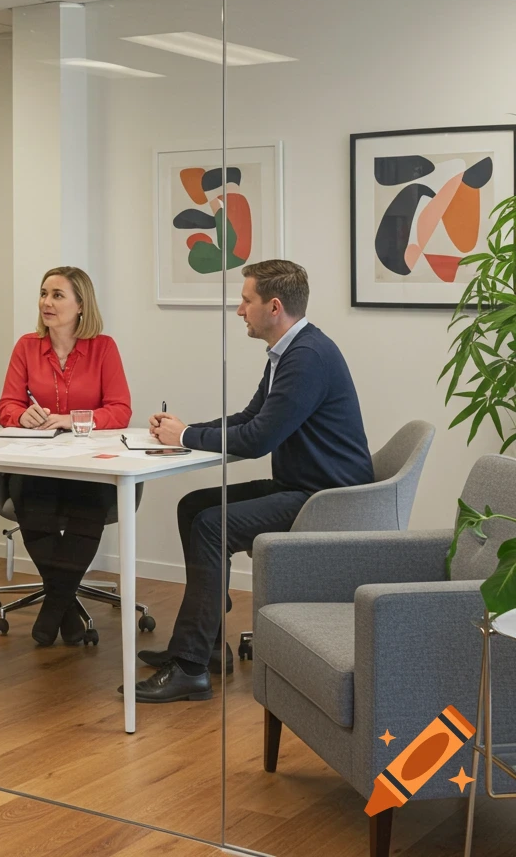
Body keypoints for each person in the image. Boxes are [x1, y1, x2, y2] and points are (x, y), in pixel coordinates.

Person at [132, 259, 373, 703]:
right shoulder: (290, 352)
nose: (240, 310)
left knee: (211, 524)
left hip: (326, 500)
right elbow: (250, 418)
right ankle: (205, 647)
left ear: (274, 306)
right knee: (193, 507)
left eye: (246, 301)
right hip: (303, 486)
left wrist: (185, 436)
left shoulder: (307, 358)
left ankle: (189, 668)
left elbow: (258, 439)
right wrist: (183, 429)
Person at [0, 266, 132, 646]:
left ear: (81, 305)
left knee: (87, 506)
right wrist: (21, 414)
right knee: (28, 498)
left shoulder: (103, 348)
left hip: (88, 467)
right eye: (43, 294)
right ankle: (65, 604)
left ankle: (54, 606)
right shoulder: (26, 346)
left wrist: (67, 420)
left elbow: (120, 410)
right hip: (38, 462)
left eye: (57, 295)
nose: (46, 303)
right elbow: (6, 404)